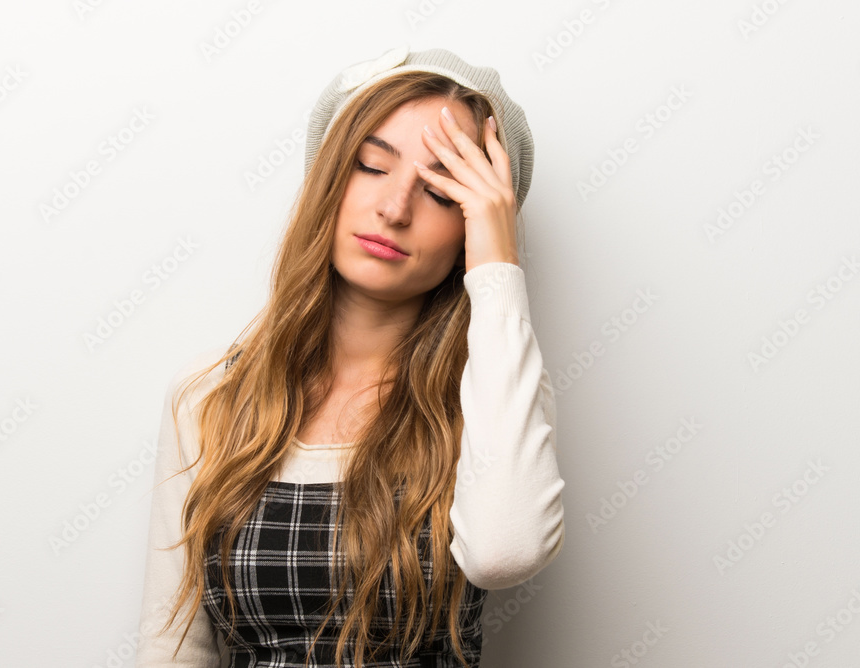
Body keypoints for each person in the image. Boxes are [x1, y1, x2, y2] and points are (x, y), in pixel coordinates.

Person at [135, 45, 566, 668]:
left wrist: (498, 267)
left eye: (442, 192)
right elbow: (172, 646)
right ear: (328, 179)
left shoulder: (496, 393)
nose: (395, 209)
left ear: (472, 230)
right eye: (371, 165)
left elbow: (506, 553)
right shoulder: (208, 395)